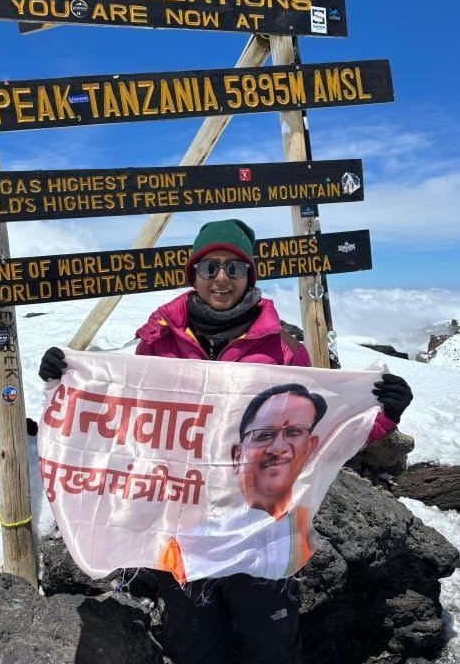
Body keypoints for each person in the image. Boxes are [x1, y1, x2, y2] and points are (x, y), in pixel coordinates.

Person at [39, 218, 413, 664]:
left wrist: (385, 414)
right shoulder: (158, 344)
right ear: (193, 274)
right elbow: (129, 424)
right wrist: (68, 382)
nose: (221, 278)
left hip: (261, 538)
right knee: (197, 651)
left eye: (234, 269)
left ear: (249, 276)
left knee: (271, 651)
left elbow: (326, 437)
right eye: (210, 267)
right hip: (183, 536)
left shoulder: (285, 351)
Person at [232, 383, 327, 518]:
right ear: (237, 456)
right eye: (264, 435)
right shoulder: (203, 528)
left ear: (310, 448)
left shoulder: (307, 529)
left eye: (293, 432)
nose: (278, 449)